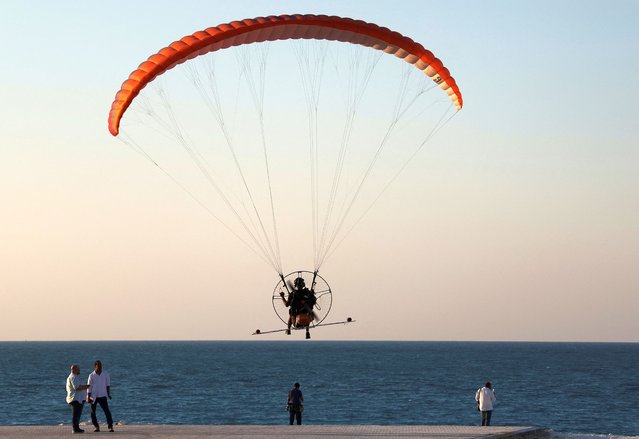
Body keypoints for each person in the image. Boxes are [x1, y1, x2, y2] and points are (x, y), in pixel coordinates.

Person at [87, 360, 114, 432]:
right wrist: (88, 397)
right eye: (99, 366)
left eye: (101, 366)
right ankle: (96, 427)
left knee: (107, 411)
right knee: (93, 412)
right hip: (93, 396)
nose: (100, 367)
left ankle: (110, 426)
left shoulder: (105, 374)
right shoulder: (91, 375)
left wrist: (108, 394)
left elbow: (107, 385)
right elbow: (89, 387)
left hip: (103, 395)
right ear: (95, 366)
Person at [66, 364, 90, 434]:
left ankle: (77, 427)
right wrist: (87, 386)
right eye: (78, 369)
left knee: (78, 414)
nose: (79, 370)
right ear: (74, 369)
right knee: (75, 414)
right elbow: (77, 387)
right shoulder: (73, 377)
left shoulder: (77, 376)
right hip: (74, 398)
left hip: (79, 398)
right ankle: (75, 428)